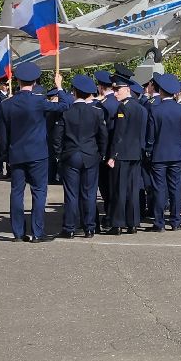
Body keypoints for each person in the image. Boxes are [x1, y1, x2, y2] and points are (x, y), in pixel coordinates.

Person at [0, 63, 63, 242]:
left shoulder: (7, 104)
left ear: (17, 81)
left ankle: (18, 233)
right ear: (34, 82)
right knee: (39, 192)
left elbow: (3, 135)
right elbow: (64, 106)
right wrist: (59, 87)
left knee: (17, 193)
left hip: (17, 154)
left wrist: (5, 156)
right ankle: (37, 232)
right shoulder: (39, 101)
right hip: (38, 154)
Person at [57, 75, 107, 239]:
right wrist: (101, 153)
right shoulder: (96, 113)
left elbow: (57, 137)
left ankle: (69, 228)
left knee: (71, 195)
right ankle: (90, 227)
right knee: (90, 194)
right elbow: (103, 136)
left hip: (71, 155)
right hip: (90, 155)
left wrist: (58, 154)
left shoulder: (67, 112)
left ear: (74, 92)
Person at [146, 74, 181, 231]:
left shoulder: (155, 110)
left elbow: (150, 136)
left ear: (161, 91)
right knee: (175, 188)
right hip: (177, 154)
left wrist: (149, 151)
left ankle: (159, 222)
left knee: (159, 189)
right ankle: (176, 221)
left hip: (159, 154)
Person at [107, 72, 150, 235]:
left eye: (118, 90)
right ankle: (132, 223)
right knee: (132, 190)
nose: (115, 93)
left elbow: (119, 134)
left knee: (120, 189)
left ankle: (117, 224)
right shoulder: (141, 108)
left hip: (123, 154)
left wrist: (113, 155)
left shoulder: (123, 107)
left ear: (126, 89)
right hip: (136, 154)